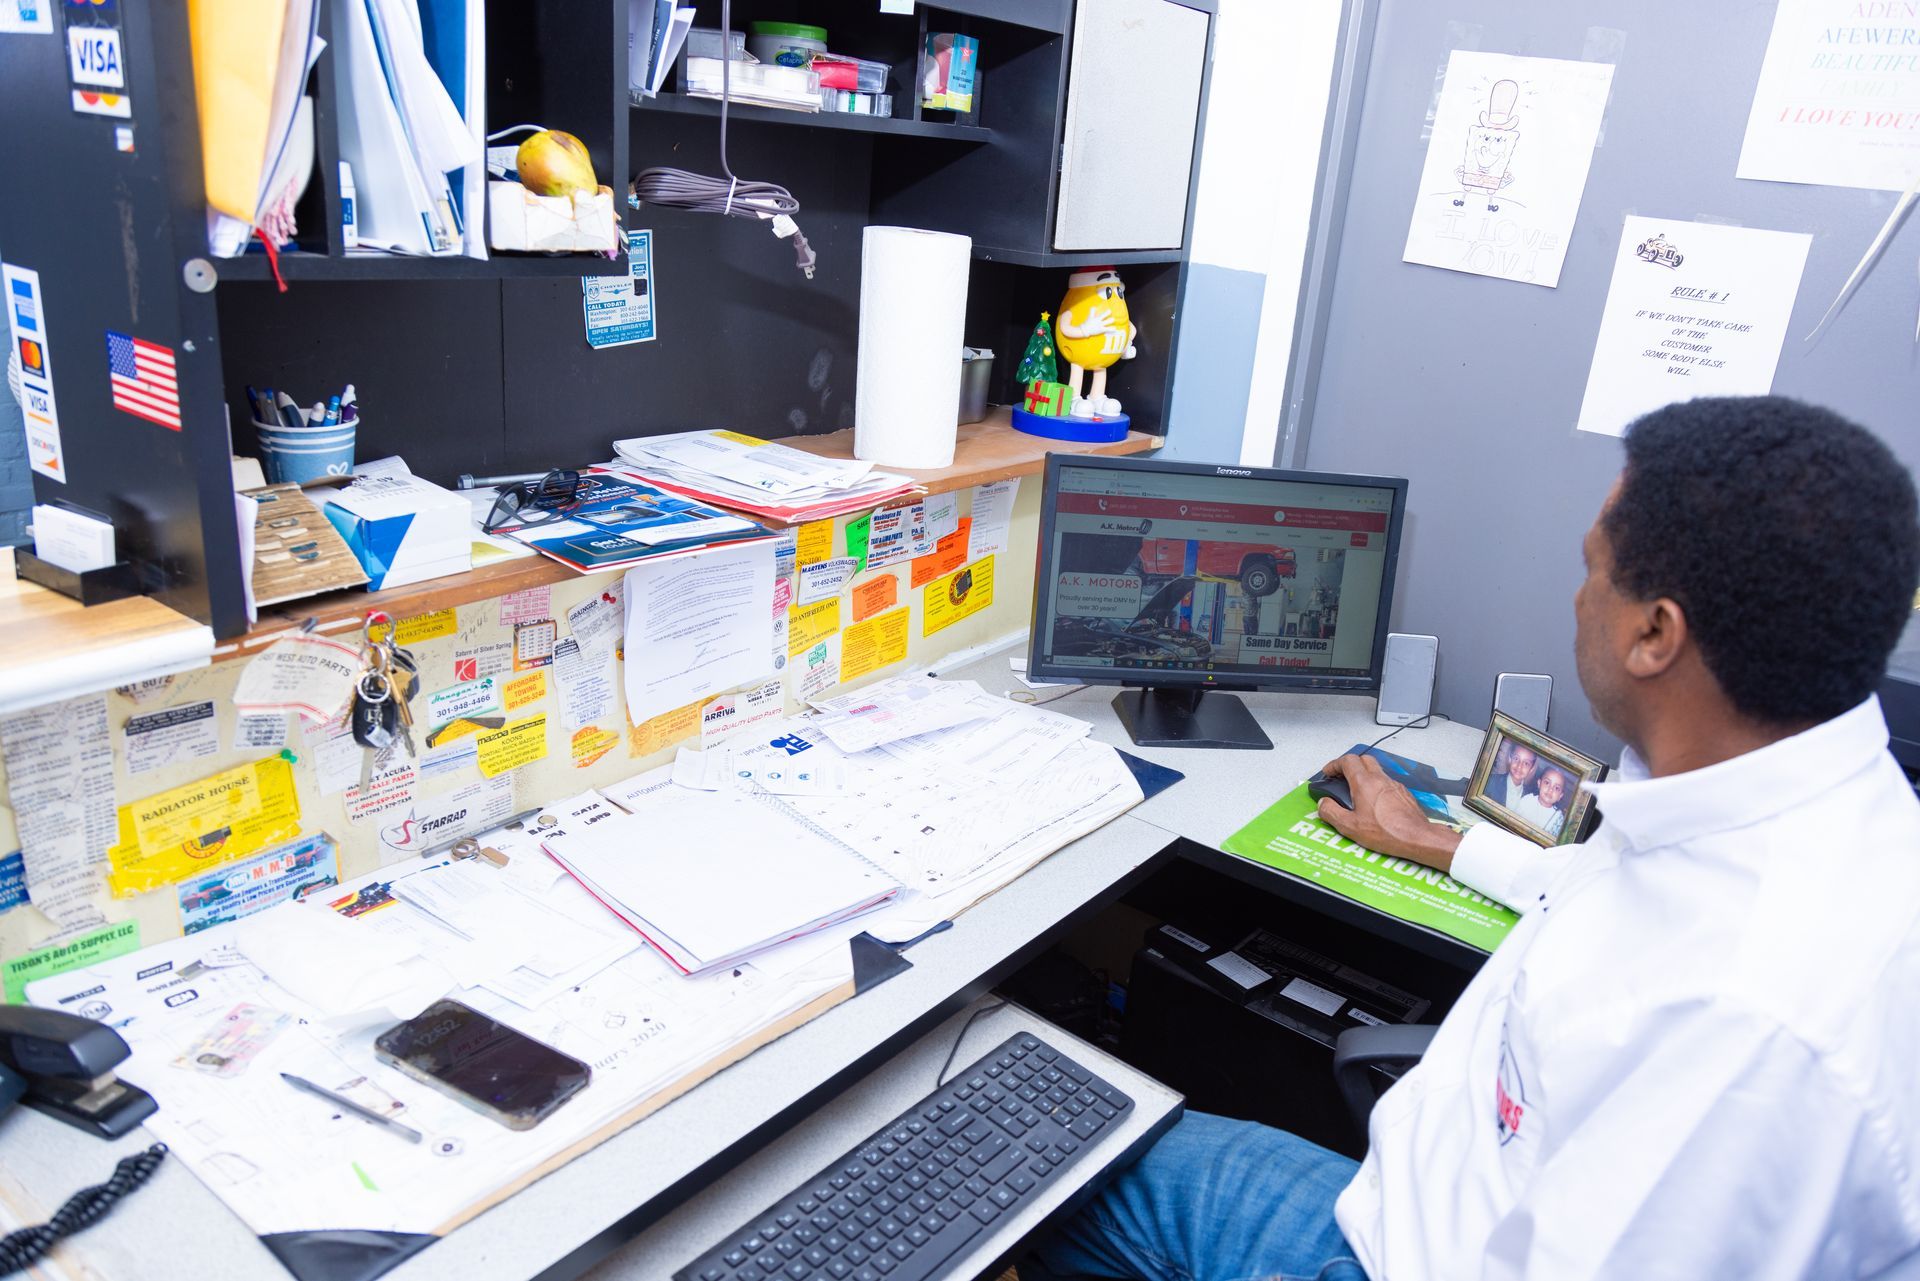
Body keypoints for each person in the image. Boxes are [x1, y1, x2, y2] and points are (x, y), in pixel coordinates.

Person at [1023, 396, 1920, 1281]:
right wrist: (1433, 841)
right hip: (1433, 1185)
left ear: (1655, 633)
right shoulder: (1780, 810)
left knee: (1051, 1166)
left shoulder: (1753, 1023)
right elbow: (1594, 889)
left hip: (1399, 1252)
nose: (1578, 598)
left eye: (1593, 569)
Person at [1507, 762, 1567, 839]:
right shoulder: (1527, 800)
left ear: (1560, 796)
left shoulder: (1558, 818)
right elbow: (1512, 821)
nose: (1550, 789)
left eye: (1556, 788)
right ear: (1539, 783)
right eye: (1547, 783)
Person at [1481, 741, 1537, 809]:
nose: (1519, 766)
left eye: (1526, 763)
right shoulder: (1490, 781)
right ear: (1510, 759)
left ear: (1531, 769)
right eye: (1516, 758)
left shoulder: (1530, 798)